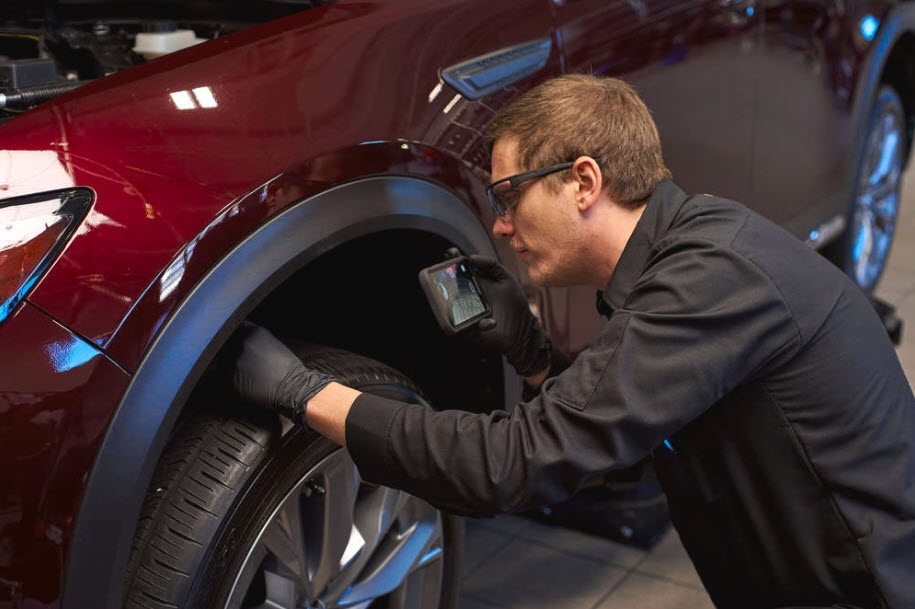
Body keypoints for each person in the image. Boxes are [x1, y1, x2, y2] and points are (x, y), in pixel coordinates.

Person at [229, 74, 915, 608]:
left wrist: (304, 392)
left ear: (583, 181)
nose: (501, 226)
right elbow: (622, 451)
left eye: (508, 198)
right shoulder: (691, 254)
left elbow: (510, 465)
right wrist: (531, 353)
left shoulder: (714, 280)